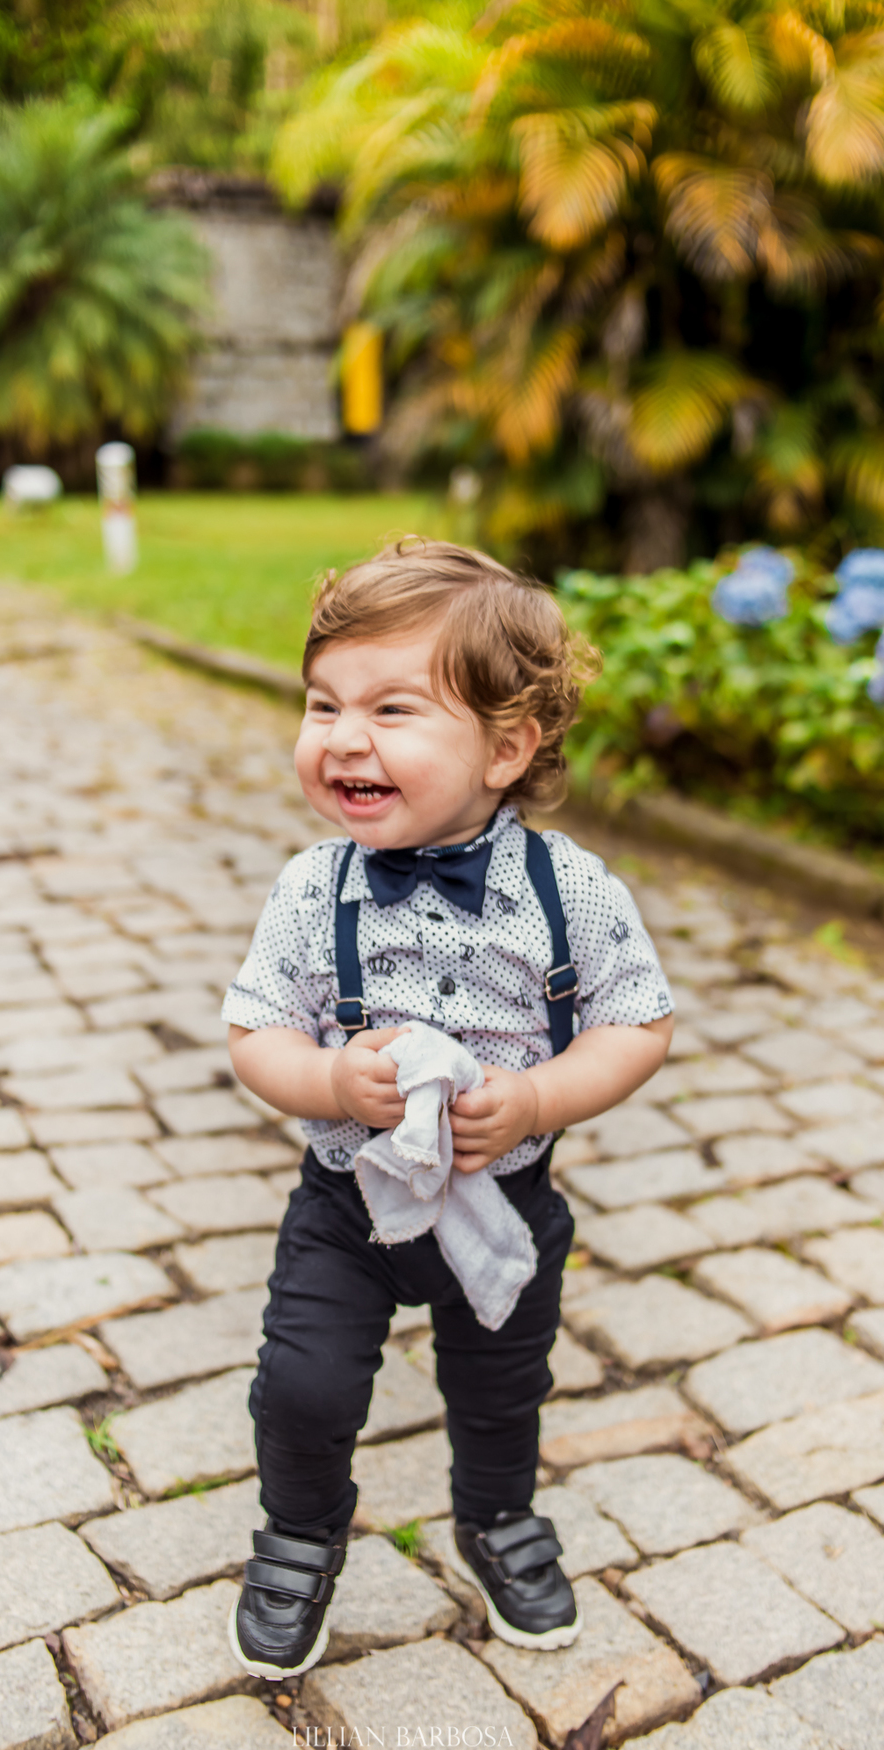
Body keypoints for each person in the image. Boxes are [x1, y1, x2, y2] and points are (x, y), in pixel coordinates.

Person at [222, 540, 674, 1680]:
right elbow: (255, 1031)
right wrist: (328, 1081)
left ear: (506, 748)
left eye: (392, 709)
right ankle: (298, 1538)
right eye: (323, 703)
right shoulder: (307, 889)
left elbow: (638, 1023)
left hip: (504, 1207)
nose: (344, 737)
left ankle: (497, 1517)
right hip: (349, 1211)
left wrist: (535, 1098)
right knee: (303, 1386)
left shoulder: (568, 893)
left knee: (501, 1384)